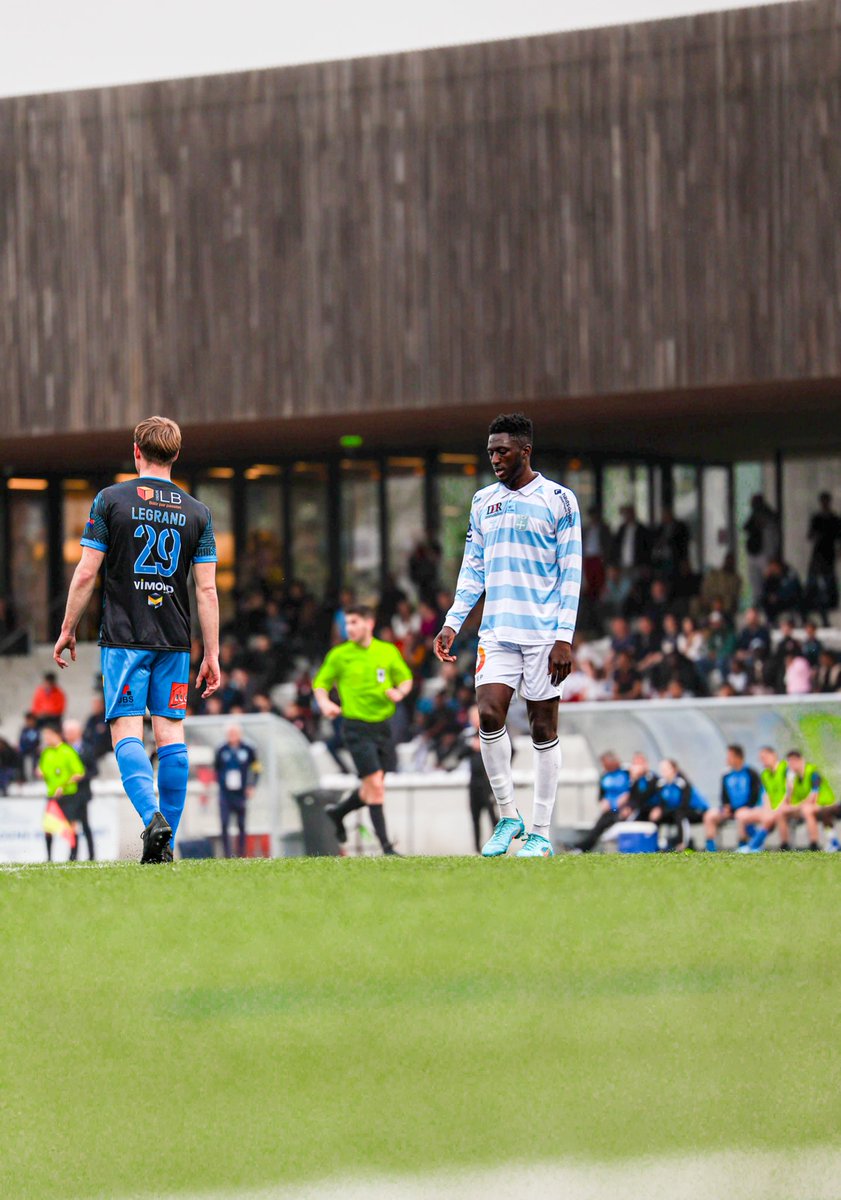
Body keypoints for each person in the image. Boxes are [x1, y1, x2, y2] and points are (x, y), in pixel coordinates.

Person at [52, 415, 220, 864]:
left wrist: (68, 628)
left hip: (125, 636)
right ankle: (166, 845)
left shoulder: (110, 500)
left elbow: (87, 572)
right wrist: (214, 653)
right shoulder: (198, 512)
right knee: (170, 734)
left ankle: (153, 821)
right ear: (177, 454)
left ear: (136, 451)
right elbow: (206, 590)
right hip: (175, 639)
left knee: (127, 730)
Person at [433, 413, 581, 859]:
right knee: (489, 715)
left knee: (542, 729)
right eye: (490, 452)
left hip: (543, 634)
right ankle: (508, 815)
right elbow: (472, 567)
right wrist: (453, 621)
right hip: (496, 632)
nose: (495, 459)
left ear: (525, 450)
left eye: (503, 451)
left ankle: (539, 832)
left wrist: (564, 636)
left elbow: (570, 570)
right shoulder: (482, 502)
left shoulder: (559, 500)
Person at [315, 605, 414, 856]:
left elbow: (405, 678)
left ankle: (338, 813)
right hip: (355, 727)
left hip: (383, 727)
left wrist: (399, 691)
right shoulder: (339, 655)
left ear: (369, 623)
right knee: (375, 787)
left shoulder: (387, 651)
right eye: (347, 623)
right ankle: (387, 848)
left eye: (354, 622)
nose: (349, 628)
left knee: (373, 786)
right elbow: (321, 684)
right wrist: (325, 703)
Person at [739, 748, 833, 852]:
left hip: (823, 804)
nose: (792, 765)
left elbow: (813, 796)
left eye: (794, 761)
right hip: (798, 806)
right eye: (761, 758)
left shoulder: (811, 773)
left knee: (806, 810)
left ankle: (815, 845)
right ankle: (784, 846)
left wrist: (790, 806)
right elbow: (784, 796)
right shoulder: (784, 776)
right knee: (742, 814)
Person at [37, 721, 85, 861]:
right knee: (48, 827)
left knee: (72, 826)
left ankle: (73, 857)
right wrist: (40, 772)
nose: (45, 739)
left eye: (47, 735)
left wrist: (63, 786)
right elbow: (41, 769)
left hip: (68, 795)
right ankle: (49, 858)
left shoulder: (68, 751)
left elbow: (79, 773)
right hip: (52, 796)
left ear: (55, 735)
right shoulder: (46, 752)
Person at [455, 706, 499, 854]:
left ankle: (497, 845)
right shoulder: (467, 736)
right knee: (475, 816)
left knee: (493, 816)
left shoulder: (493, 733)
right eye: (472, 716)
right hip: (474, 781)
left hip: (489, 781)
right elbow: (458, 754)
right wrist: (472, 747)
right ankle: (477, 848)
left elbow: (510, 750)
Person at [702, 744, 762, 851]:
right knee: (709, 815)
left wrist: (747, 807)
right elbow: (724, 795)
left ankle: (743, 846)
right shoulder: (726, 774)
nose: (727, 759)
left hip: (747, 809)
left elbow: (755, 794)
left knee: (741, 815)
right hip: (730, 810)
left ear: (738, 757)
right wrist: (726, 807)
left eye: (729, 756)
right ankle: (710, 849)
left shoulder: (751, 773)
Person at [214, 724, 259, 857]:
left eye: (235, 733)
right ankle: (227, 854)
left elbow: (256, 769)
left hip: (241, 793)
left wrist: (252, 785)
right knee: (224, 823)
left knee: (241, 824)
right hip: (225, 793)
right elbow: (216, 768)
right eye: (230, 733)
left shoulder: (248, 749)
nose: (233, 736)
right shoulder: (221, 750)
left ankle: (242, 854)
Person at [573, 752, 631, 853]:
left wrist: (627, 798)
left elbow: (634, 790)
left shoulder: (626, 773)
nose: (603, 765)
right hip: (610, 810)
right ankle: (581, 848)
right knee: (598, 827)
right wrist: (603, 801)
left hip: (623, 810)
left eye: (605, 763)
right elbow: (601, 795)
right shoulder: (604, 776)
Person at [652, 759, 708, 850]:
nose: (663, 772)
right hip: (674, 811)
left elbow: (684, 805)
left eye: (666, 769)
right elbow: (662, 803)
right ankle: (655, 844)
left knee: (680, 814)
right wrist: (658, 810)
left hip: (694, 810)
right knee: (656, 815)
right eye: (662, 769)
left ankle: (682, 844)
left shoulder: (682, 783)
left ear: (673, 769)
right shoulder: (660, 785)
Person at [62, 718, 97, 861]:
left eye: (71, 731)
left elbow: (94, 770)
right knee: (71, 825)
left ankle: (91, 855)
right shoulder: (62, 750)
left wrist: (81, 776)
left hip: (82, 794)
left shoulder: (87, 748)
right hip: (68, 794)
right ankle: (73, 855)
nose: (68, 735)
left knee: (85, 825)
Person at [806, 492, 841, 621]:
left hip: (829, 552)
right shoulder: (817, 518)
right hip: (818, 552)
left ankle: (831, 603)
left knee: (830, 578)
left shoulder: (834, 519)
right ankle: (811, 603)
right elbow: (810, 535)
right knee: (814, 577)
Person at [18, 712, 41, 781]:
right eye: (27, 720)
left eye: (31, 720)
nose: (29, 722)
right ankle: (22, 777)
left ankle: (35, 775)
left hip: (34, 750)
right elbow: (21, 741)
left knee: (35, 758)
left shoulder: (37, 730)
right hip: (24, 750)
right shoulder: (24, 730)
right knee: (19, 758)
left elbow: (39, 741)